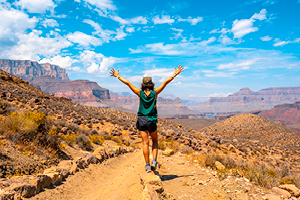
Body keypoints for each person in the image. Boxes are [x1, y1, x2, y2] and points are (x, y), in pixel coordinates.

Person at [110, 65, 184, 173]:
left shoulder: (139, 93)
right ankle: (154, 161)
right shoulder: (155, 93)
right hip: (151, 119)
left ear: (143, 84)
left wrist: (118, 76)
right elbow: (166, 82)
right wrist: (175, 73)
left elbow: (128, 83)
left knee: (145, 143)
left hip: (141, 120)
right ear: (151, 84)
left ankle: (147, 165)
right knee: (154, 140)